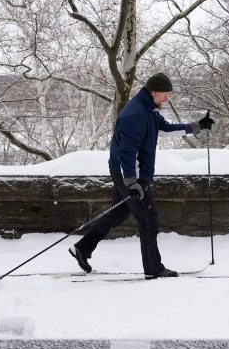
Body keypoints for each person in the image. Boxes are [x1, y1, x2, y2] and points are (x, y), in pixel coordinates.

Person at [68, 72, 214, 277]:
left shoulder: (149, 110)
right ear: (153, 91)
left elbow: (165, 129)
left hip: (128, 173)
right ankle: (154, 269)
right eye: (165, 94)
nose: (167, 99)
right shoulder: (134, 115)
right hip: (129, 174)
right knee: (149, 218)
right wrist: (132, 182)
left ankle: (83, 247)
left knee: (118, 213)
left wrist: (196, 126)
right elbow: (126, 153)